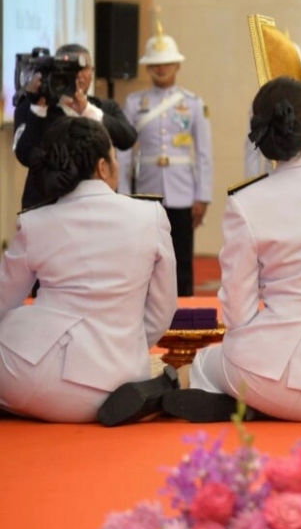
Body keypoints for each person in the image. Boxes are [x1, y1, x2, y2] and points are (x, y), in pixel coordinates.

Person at [103, 78, 301, 424]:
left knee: (207, 362)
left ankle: (205, 392)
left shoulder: (247, 201)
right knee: (237, 365)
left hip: (271, 381)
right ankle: (243, 404)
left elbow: (238, 315)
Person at [0, 118, 177, 423]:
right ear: (102, 167)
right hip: (121, 386)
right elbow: (163, 309)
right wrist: (128, 344)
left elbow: (4, 300)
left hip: (33, 382)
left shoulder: (35, 222)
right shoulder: (151, 215)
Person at [117, 25, 213, 297]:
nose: (161, 69)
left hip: (183, 191)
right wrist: (124, 194)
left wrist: (203, 196)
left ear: (177, 65)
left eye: (167, 63)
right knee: (147, 258)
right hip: (146, 190)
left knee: (182, 257)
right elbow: (124, 153)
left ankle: (185, 306)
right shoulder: (134, 103)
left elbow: (204, 153)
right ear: (148, 68)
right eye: (156, 64)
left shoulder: (193, 103)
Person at [13, 44, 137, 210]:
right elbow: (25, 155)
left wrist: (87, 110)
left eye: (83, 68)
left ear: (92, 71)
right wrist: (38, 108)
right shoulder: (32, 106)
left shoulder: (106, 107)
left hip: (98, 206)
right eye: (69, 70)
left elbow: (128, 138)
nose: (78, 75)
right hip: (46, 206)